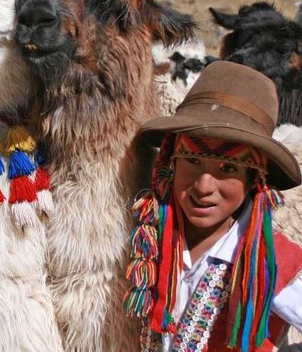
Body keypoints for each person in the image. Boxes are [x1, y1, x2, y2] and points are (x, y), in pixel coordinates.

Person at [123, 60, 302, 351]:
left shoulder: (272, 262)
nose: (204, 186)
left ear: (254, 179)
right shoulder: (146, 243)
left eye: (228, 168)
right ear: (171, 162)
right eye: (192, 161)